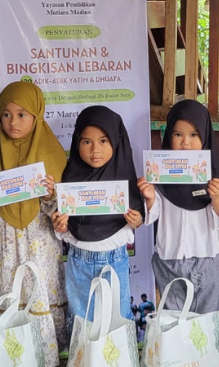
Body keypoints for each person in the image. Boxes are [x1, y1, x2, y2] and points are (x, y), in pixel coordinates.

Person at [0, 81, 68, 364]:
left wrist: (51, 194)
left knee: (39, 292)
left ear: (36, 115)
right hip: (6, 239)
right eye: (6, 114)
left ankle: (44, 358)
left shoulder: (51, 152)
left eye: (21, 114)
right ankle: (11, 357)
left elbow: (62, 210)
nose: (12, 122)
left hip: (39, 240)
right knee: (7, 291)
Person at [51, 106, 145, 327]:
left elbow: (137, 217)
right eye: (87, 142)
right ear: (77, 142)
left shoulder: (124, 179)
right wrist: (60, 226)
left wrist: (136, 220)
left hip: (115, 259)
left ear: (116, 142)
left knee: (118, 318)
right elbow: (63, 223)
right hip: (78, 260)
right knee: (80, 319)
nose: (95, 149)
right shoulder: (70, 177)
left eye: (103, 141)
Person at [137, 99, 219, 316]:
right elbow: (154, 213)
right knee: (174, 323)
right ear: (169, 136)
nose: (185, 143)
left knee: (208, 323)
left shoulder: (216, 176)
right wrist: (150, 197)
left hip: (206, 257)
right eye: (178, 134)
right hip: (168, 259)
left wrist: (216, 197)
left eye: (194, 135)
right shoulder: (159, 174)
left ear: (205, 136)